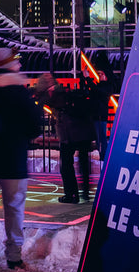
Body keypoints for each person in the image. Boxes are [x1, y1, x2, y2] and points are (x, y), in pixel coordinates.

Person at [0, 48, 44, 270]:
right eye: (16, 62)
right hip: (13, 159)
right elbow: (35, 124)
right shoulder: (18, 90)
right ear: (9, 64)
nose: (20, 65)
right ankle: (14, 257)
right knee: (14, 210)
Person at [36, 73, 101, 204]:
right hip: (84, 131)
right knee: (83, 163)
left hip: (70, 134)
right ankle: (85, 193)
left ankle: (71, 194)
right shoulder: (66, 91)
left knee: (66, 165)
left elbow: (40, 104)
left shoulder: (53, 94)